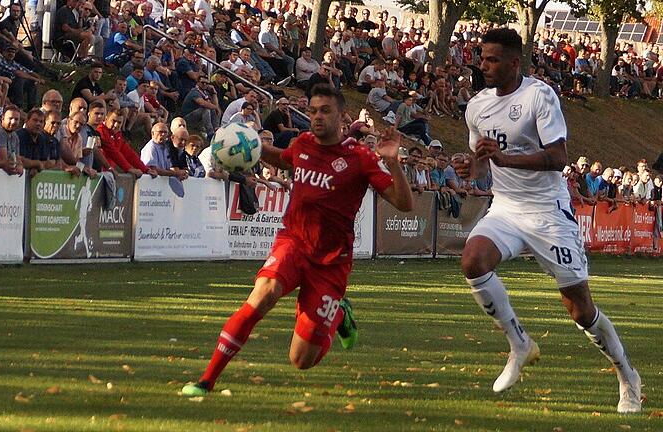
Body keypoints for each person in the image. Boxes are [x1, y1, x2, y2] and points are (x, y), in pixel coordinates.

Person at [181, 84, 413, 397]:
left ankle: (339, 313)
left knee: (301, 360)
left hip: (331, 262)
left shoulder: (359, 158)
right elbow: (284, 158)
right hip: (293, 242)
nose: (316, 117)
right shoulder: (303, 142)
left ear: (342, 117)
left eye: (325, 111)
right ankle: (206, 381)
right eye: (313, 110)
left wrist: (393, 162)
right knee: (265, 292)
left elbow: (404, 204)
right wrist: (241, 145)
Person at [453, 29, 641, 414]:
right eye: (482, 58)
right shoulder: (477, 106)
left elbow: (558, 157)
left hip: (548, 213)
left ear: (514, 62)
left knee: (580, 309)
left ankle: (627, 375)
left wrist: (504, 160)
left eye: (492, 59)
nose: (484, 65)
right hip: (506, 208)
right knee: (473, 260)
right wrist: (469, 164)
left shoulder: (540, 96)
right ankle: (519, 345)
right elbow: (480, 163)